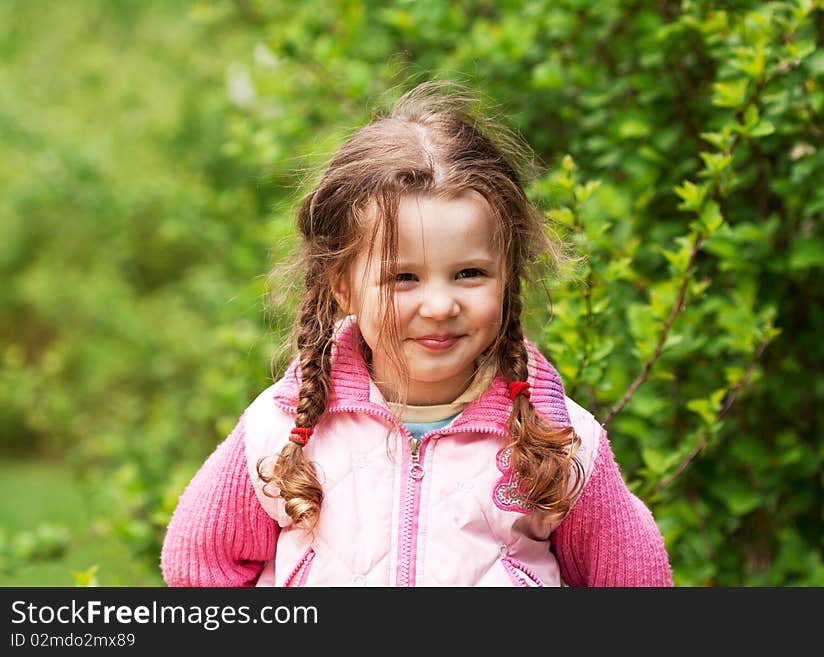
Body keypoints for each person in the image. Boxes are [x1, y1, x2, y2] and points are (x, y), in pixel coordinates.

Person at [160, 82, 673, 587]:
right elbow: (200, 567)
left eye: (469, 273)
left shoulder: (560, 441)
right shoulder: (280, 430)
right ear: (342, 286)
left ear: (507, 275)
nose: (439, 305)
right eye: (403, 278)